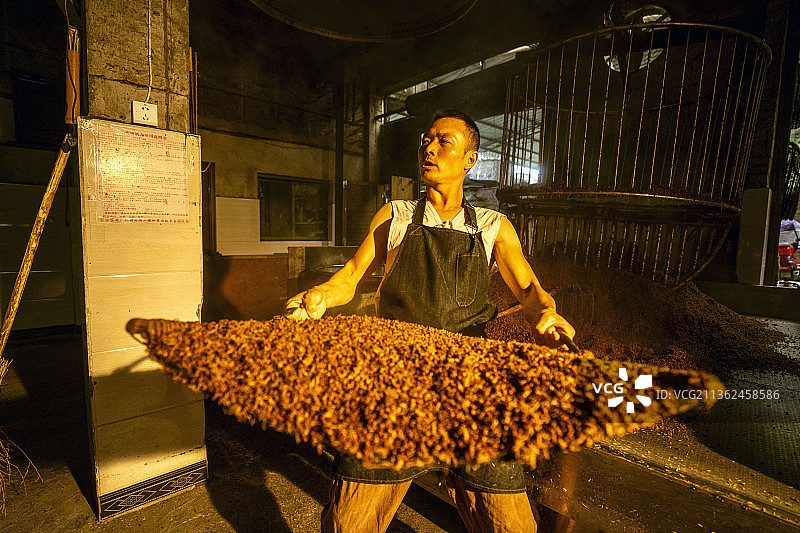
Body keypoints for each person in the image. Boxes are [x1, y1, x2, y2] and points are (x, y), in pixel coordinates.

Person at [286, 110, 575, 533]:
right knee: (350, 519)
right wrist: (319, 297)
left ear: (470, 159)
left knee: (509, 523)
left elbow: (530, 290)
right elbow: (349, 278)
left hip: (468, 385)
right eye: (426, 140)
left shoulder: (494, 226)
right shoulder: (395, 216)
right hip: (396, 381)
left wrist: (547, 314)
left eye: (444, 142)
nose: (429, 148)